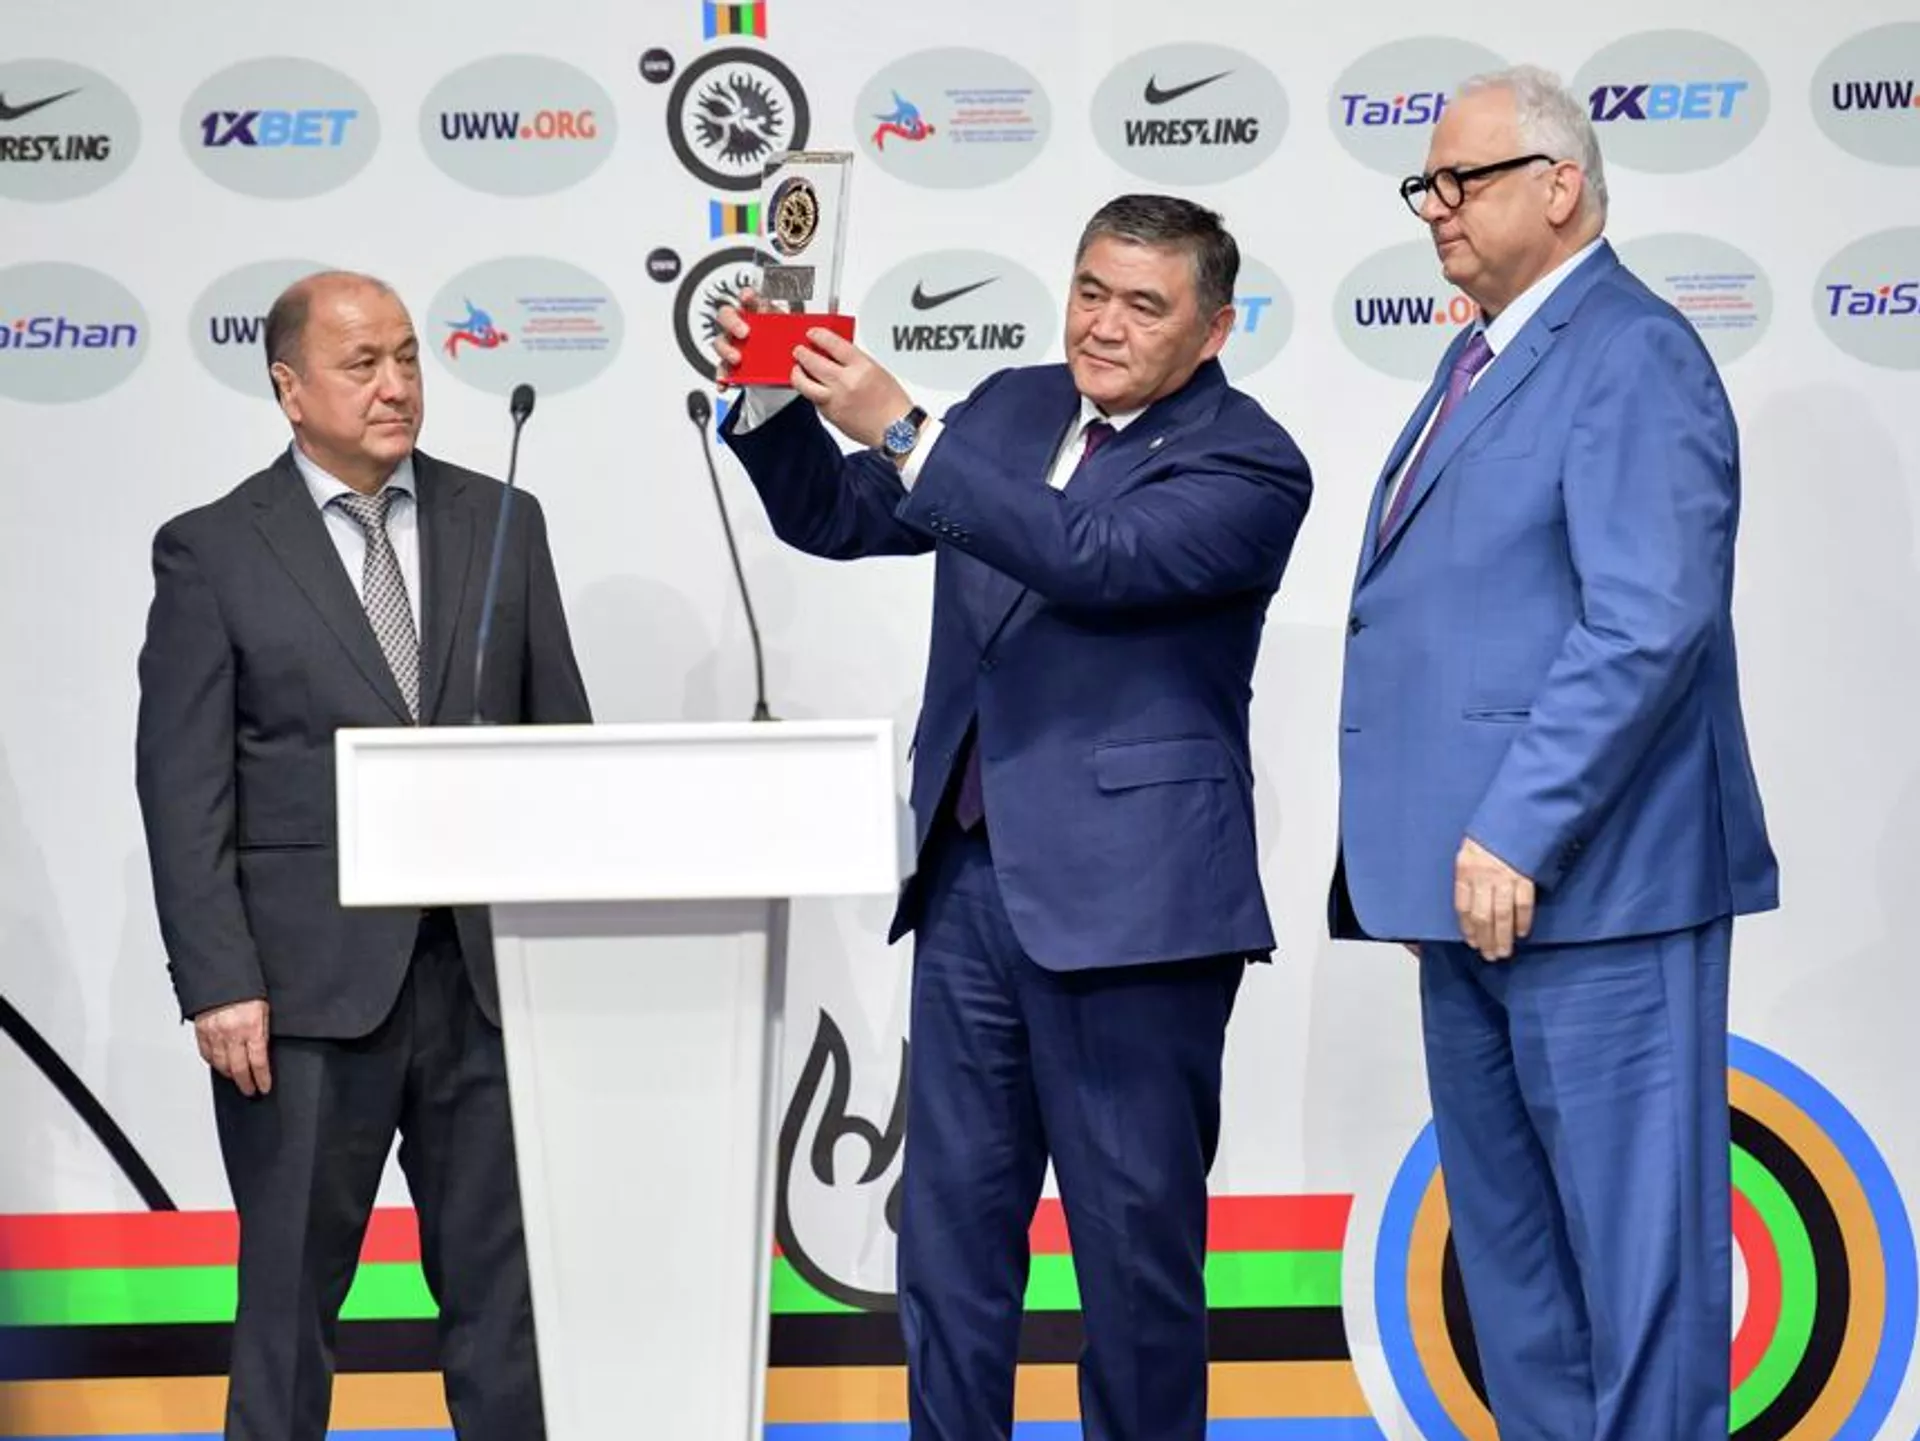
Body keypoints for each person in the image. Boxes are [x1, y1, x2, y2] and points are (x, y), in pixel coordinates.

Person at [714, 194, 1311, 1441]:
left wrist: (907, 431)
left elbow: (1094, 554)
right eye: (1090, 290)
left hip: (1137, 912)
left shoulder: (1251, 461)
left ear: (1214, 329)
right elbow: (837, 515)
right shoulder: (1010, 407)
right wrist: (773, 392)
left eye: (1143, 305)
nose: (1102, 325)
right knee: (947, 1250)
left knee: (1134, 1262)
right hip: (970, 883)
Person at [1331, 67, 1777, 1438]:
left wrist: (1516, 827)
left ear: (1561, 185)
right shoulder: (1481, 354)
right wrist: (1447, 855)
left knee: (1640, 1283)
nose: (1436, 207)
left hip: (1596, 889)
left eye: (1462, 180)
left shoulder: (1631, 350)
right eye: (1426, 184)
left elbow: (1648, 618)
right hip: (1466, 898)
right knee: (1518, 1284)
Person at [135, 270, 591, 1441]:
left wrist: (562, 961)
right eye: (361, 364)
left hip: (482, 988)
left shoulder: (504, 522)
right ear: (290, 389)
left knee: (507, 1312)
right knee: (288, 1314)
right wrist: (220, 979)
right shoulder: (213, 550)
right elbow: (183, 789)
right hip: (299, 1000)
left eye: (407, 357)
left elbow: (561, 750)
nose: (395, 386)